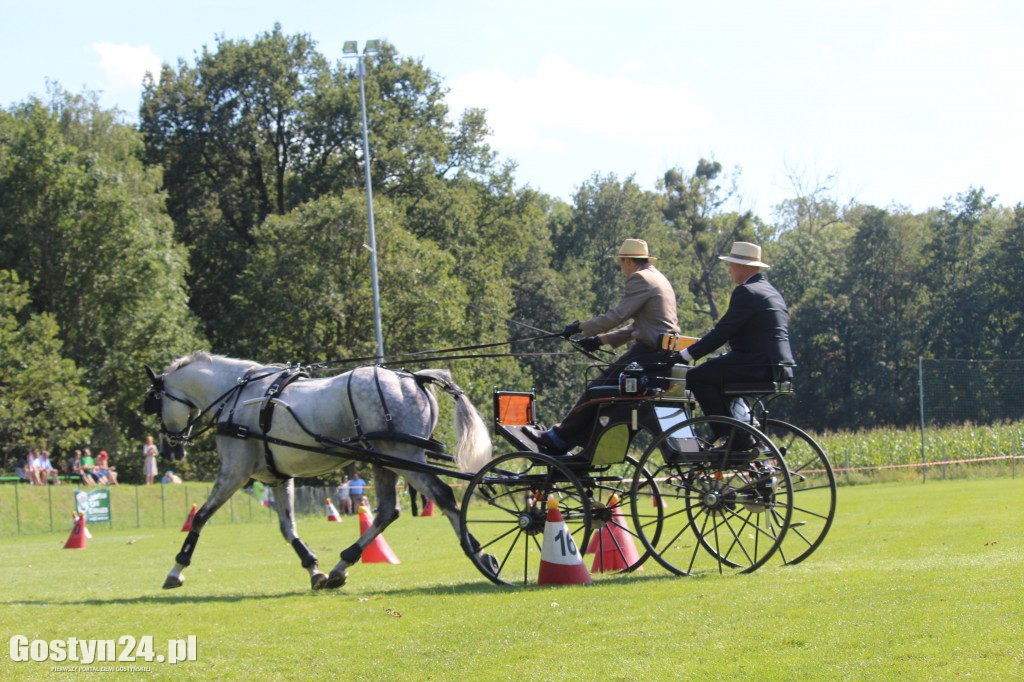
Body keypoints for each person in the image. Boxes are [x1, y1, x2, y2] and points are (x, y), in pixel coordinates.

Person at [526, 238, 680, 455]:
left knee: (596, 390)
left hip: (648, 353)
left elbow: (616, 316)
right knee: (600, 389)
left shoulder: (640, 278)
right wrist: (601, 340)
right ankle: (576, 440)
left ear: (627, 261)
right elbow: (638, 326)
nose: (621, 268)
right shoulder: (659, 279)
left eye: (620, 262)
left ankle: (559, 438)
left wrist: (581, 327)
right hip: (662, 354)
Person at [680, 241, 794, 451]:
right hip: (780, 366)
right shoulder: (771, 291)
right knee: (719, 375)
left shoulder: (746, 292)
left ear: (743, 266)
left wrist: (685, 355)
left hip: (757, 365)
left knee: (697, 376)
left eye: (731, 265)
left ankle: (731, 437)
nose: (729, 269)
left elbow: (722, 332)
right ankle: (746, 431)